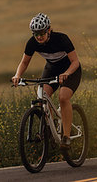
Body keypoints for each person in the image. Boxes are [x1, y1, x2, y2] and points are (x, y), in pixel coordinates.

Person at [12, 13, 82, 151]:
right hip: (52, 68)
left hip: (70, 70)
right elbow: (24, 62)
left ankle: (66, 136)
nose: (39, 37)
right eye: (36, 34)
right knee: (42, 96)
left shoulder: (62, 39)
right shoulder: (32, 43)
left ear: (49, 30)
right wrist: (17, 75)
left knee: (63, 97)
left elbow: (75, 62)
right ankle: (50, 126)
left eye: (42, 33)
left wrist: (66, 73)